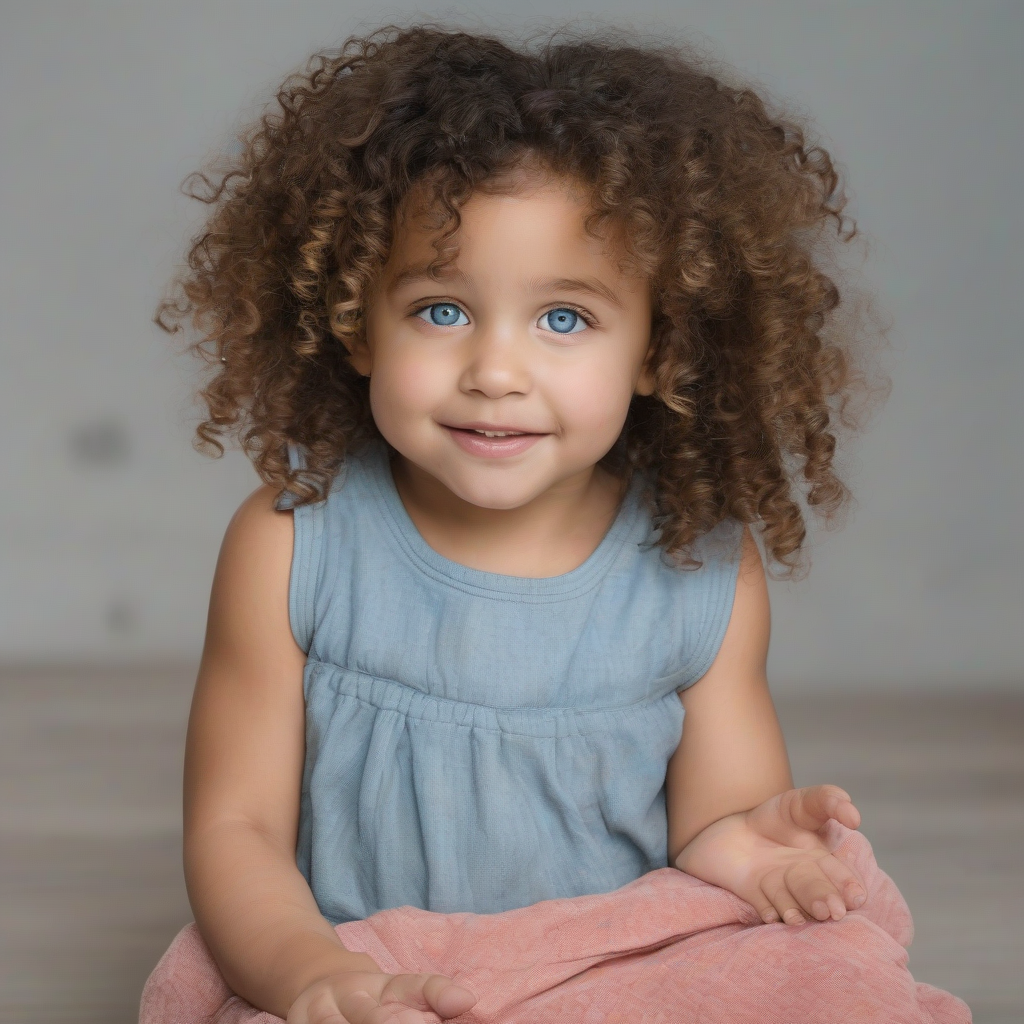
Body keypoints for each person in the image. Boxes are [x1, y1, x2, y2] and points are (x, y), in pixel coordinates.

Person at [150, 24, 910, 1024]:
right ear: (354, 321)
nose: (496, 372)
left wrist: (744, 838)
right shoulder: (293, 543)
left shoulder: (698, 565)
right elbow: (235, 826)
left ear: (657, 349)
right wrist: (308, 972)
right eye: (440, 309)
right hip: (372, 967)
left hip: (608, 973)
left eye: (563, 318)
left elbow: (714, 823)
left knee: (828, 968)